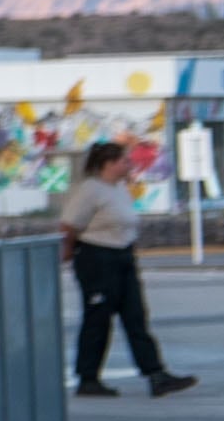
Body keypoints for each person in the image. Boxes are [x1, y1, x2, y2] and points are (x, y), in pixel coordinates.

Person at [63, 140, 194, 396]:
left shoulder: (119, 189)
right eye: (124, 160)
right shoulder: (91, 190)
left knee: (135, 316)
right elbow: (69, 225)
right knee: (98, 318)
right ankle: (88, 378)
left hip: (122, 256)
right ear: (109, 164)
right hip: (97, 256)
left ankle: (155, 374)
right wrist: (68, 252)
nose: (129, 164)